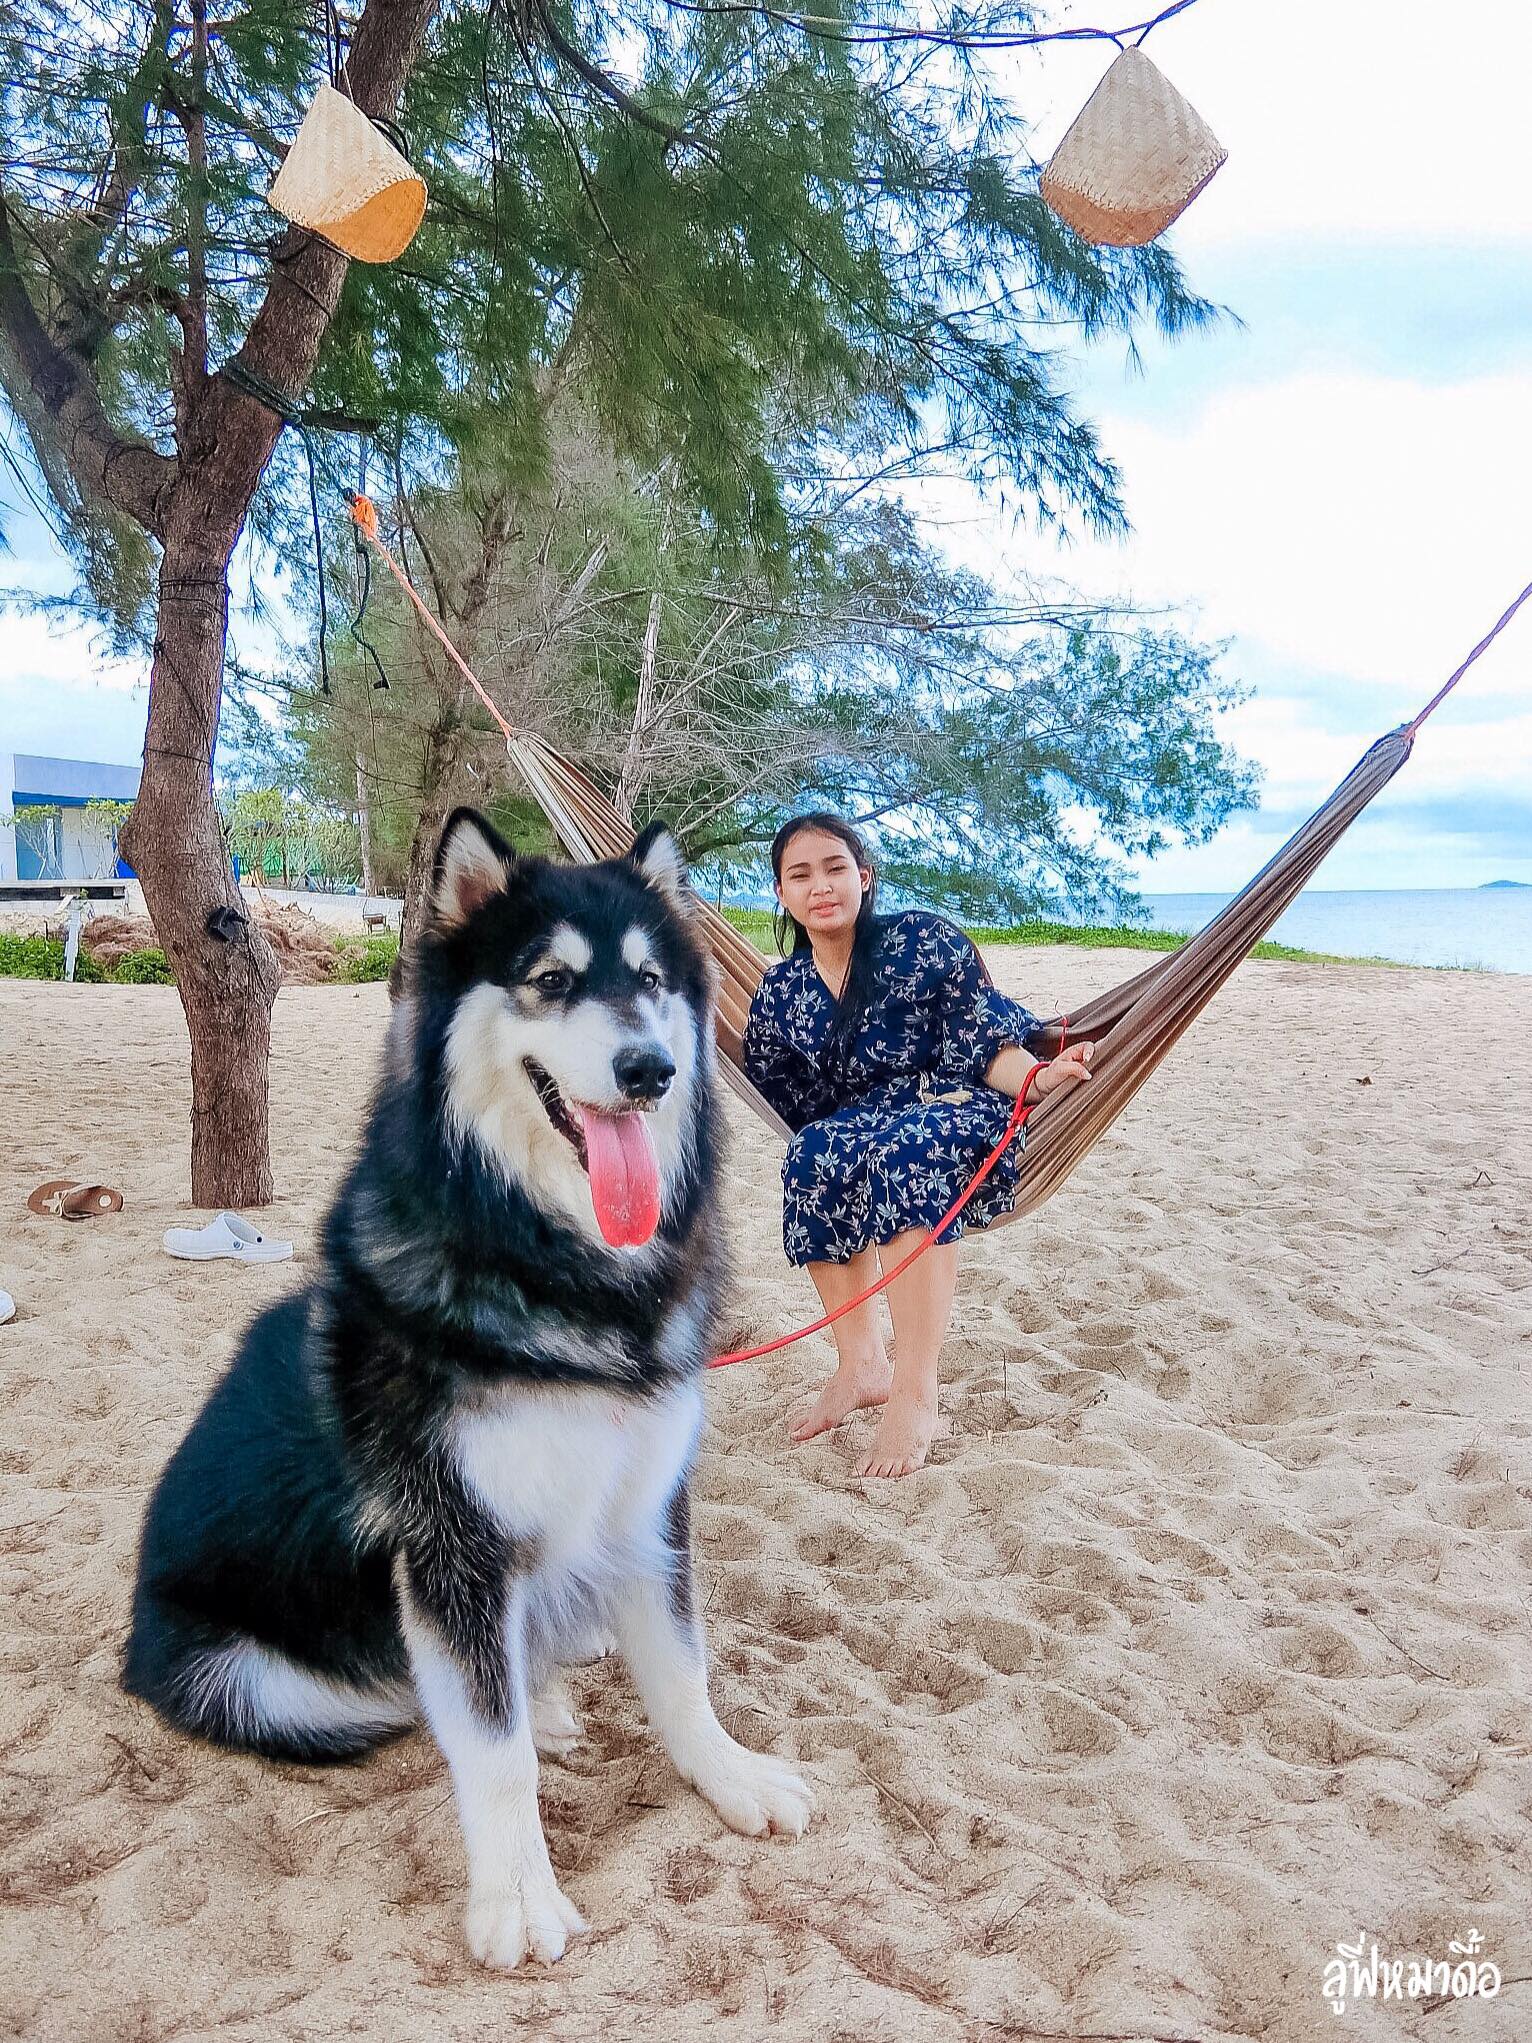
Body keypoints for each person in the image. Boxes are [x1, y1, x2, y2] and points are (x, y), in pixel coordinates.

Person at [742, 813, 1094, 1480]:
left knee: (902, 1155)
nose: (821, 885)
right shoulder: (781, 993)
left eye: (836, 868)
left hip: (955, 1106)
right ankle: (861, 1365)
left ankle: (914, 1388)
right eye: (801, 875)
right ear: (782, 894)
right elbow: (783, 1093)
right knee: (811, 1155)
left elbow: (984, 1041)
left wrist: (1039, 1078)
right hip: (866, 1121)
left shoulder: (922, 942)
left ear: (864, 877)